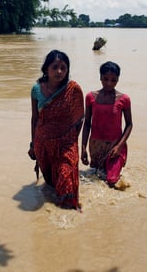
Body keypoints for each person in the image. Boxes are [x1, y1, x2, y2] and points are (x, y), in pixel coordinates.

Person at [28, 50, 84, 210]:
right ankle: (54, 218)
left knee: (67, 175)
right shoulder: (36, 90)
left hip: (67, 142)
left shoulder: (73, 90)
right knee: (52, 182)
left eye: (63, 68)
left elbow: (80, 117)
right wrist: (33, 145)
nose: (59, 71)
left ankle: (69, 211)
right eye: (55, 67)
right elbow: (35, 119)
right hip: (43, 143)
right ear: (46, 69)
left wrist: (72, 141)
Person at [81, 61, 133, 188]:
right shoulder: (90, 97)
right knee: (96, 179)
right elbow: (87, 123)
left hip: (115, 146)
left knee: (112, 181)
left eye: (113, 80)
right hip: (96, 145)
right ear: (100, 78)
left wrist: (119, 146)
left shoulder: (124, 99)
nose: (109, 83)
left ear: (118, 80)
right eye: (105, 79)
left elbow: (129, 124)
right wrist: (83, 147)